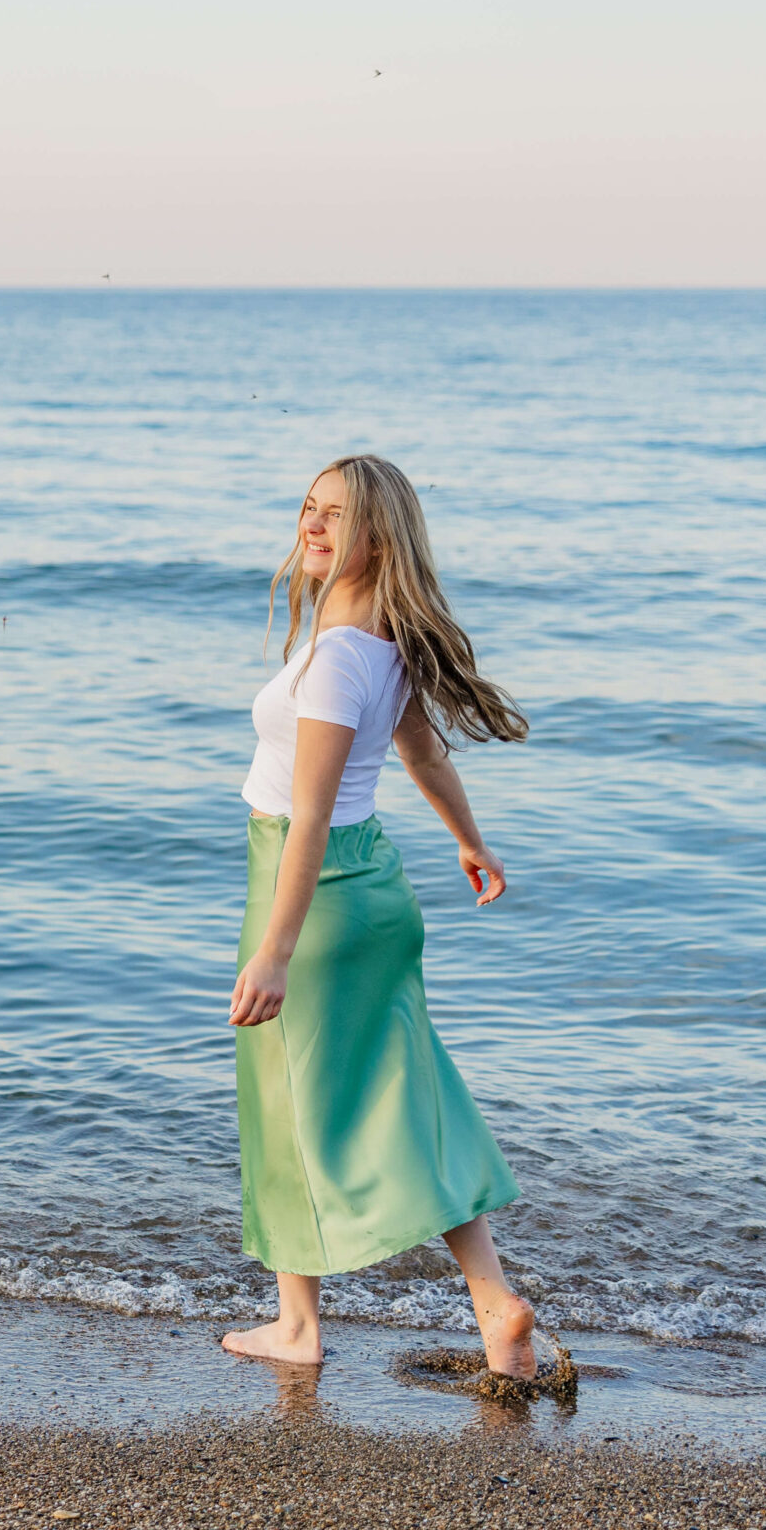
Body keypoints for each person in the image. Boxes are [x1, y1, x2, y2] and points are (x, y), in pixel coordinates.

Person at [220, 453, 537, 1375]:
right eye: (308, 510)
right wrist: (470, 842)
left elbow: (308, 815)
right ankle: (495, 1306)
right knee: (408, 1098)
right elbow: (426, 755)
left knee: (285, 1106)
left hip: (309, 893)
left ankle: (297, 1328)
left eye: (336, 516)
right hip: (378, 892)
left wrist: (276, 952)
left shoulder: (334, 665)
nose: (312, 528)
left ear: (378, 536)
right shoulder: (384, 644)